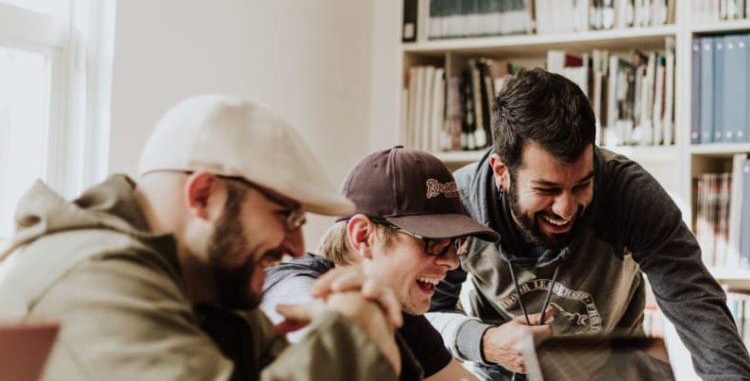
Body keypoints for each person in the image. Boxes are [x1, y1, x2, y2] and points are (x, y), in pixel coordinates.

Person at [0, 95, 417, 381]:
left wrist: (372, 325)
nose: (295, 245)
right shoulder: (93, 278)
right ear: (203, 195)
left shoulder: (209, 287)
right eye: (286, 214)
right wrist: (349, 334)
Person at [427, 68, 750, 381]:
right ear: (501, 172)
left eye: (582, 184)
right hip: (502, 374)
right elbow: (423, 316)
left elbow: (696, 303)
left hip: (614, 372)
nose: (566, 209)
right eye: (547, 189)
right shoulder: (461, 205)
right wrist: (485, 343)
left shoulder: (629, 194)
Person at [261, 146, 499, 381]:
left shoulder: (397, 306)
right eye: (433, 241)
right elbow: (310, 316)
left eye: (457, 243)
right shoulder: (292, 286)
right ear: (363, 236)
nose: (452, 261)